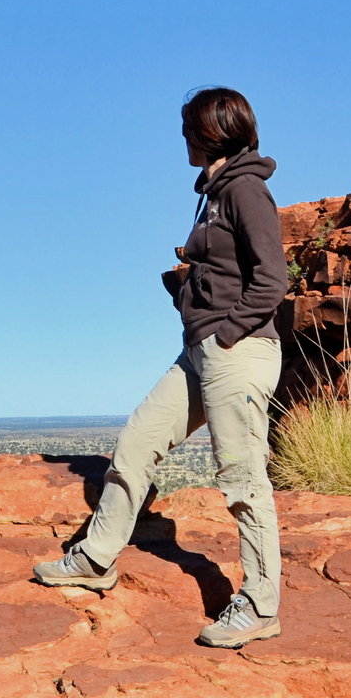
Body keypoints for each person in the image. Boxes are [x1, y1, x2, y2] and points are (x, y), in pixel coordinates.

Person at [34, 86, 288, 648]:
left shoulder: (246, 190)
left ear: (210, 132)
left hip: (235, 353)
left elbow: (273, 280)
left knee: (243, 479)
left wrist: (224, 332)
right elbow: (229, 272)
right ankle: (97, 559)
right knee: (138, 441)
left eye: (186, 130)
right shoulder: (216, 192)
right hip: (201, 352)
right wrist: (191, 285)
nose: (181, 139)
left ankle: (260, 606)